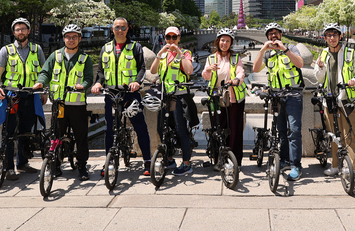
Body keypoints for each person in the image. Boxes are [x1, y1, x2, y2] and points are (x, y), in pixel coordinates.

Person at [91, 17, 152, 176]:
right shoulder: (106, 48)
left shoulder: (135, 47)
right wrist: (98, 83)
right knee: (110, 129)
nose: (120, 30)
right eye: (117, 27)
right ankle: (109, 162)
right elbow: (101, 71)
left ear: (128, 29)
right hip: (111, 94)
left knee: (140, 126)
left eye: (123, 28)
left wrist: (137, 82)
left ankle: (147, 160)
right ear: (112, 29)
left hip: (130, 94)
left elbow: (142, 68)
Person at [33, 23, 93, 181]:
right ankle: (56, 165)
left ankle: (82, 166)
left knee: (81, 136)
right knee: (56, 135)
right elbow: (45, 72)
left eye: (74, 37)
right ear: (63, 38)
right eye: (68, 37)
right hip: (59, 104)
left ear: (79, 39)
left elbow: (88, 78)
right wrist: (41, 82)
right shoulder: (55, 55)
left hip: (77, 105)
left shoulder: (85, 58)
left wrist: (84, 86)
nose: (71, 40)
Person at [0, 17, 46, 180]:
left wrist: (43, 91)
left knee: (26, 130)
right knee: (9, 131)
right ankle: (9, 167)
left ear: (29, 31)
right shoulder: (6, 50)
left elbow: (44, 72)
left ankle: (22, 162)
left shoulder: (37, 49)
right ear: (13, 32)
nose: (20, 31)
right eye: (17, 29)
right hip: (12, 95)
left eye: (23, 29)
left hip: (31, 95)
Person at [313, 23, 355, 183]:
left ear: (340, 36)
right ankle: (336, 165)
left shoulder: (351, 53)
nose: (332, 38)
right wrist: (321, 68)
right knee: (334, 136)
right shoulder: (322, 55)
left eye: (334, 35)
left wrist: (354, 80)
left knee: (351, 133)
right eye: (329, 35)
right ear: (325, 38)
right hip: (329, 99)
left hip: (346, 99)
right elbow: (319, 78)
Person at [252, 22, 305, 181]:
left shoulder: (291, 48)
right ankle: (284, 160)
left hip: (293, 95)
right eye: (270, 33)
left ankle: (296, 165)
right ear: (267, 37)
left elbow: (300, 63)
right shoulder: (268, 54)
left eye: (276, 33)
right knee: (281, 131)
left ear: (281, 35)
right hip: (276, 97)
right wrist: (262, 49)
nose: (273, 36)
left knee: (294, 131)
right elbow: (255, 69)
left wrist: (284, 49)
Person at [149, 26, 195, 175]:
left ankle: (187, 163)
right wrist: (159, 54)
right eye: (168, 37)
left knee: (181, 130)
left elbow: (189, 71)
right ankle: (169, 159)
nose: (171, 40)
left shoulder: (185, 53)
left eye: (174, 37)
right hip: (164, 97)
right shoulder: (163, 55)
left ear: (179, 38)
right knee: (162, 129)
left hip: (179, 96)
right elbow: (153, 71)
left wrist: (180, 53)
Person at [202, 28, 246, 165]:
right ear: (218, 42)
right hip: (217, 97)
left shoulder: (235, 58)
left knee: (235, 129)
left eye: (227, 41)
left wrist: (235, 81)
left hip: (234, 98)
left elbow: (241, 72)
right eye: (222, 40)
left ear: (231, 43)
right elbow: (206, 76)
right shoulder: (211, 58)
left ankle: (235, 160)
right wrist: (208, 69)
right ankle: (219, 158)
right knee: (218, 129)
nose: (224, 43)